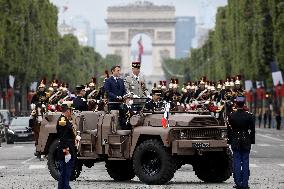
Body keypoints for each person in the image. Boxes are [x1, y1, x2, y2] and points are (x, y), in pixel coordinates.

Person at [228, 96, 255, 189]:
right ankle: (245, 184)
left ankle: (238, 183)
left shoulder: (231, 115)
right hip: (246, 139)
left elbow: (229, 130)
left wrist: (229, 140)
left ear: (236, 104)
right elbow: (252, 130)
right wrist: (252, 140)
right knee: (245, 161)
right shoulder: (250, 115)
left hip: (235, 139)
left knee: (236, 161)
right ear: (244, 104)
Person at [56, 101, 78, 189]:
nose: (72, 112)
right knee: (66, 173)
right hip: (66, 150)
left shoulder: (66, 120)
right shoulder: (63, 120)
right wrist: (67, 152)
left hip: (68, 148)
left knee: (65, 173)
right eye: (71, 110)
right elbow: (63, 137)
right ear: (68, 110)